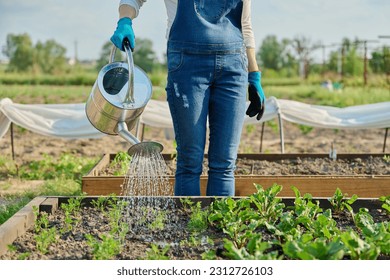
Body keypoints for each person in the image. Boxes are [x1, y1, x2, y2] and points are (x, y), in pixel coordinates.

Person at [111, 0, 265, 196]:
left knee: (225, 163)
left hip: (233, 69)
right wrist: (125, 21)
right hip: (188, 67)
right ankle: (189, 225)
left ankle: (220, 225)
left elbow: (245, 25)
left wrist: (254, 75)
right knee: (190, 160)